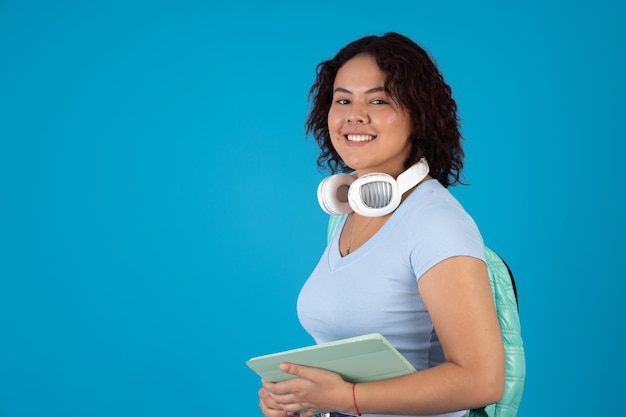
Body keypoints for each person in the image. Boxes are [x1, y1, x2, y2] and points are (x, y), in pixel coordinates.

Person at [258, 32, 505, 417]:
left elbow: (480, 380)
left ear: (419, 115)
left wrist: (341, 399)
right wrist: (302, 399)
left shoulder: (435, 222)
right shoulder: (348, 216)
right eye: (343, 100)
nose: (355, 115)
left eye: (378, 100)